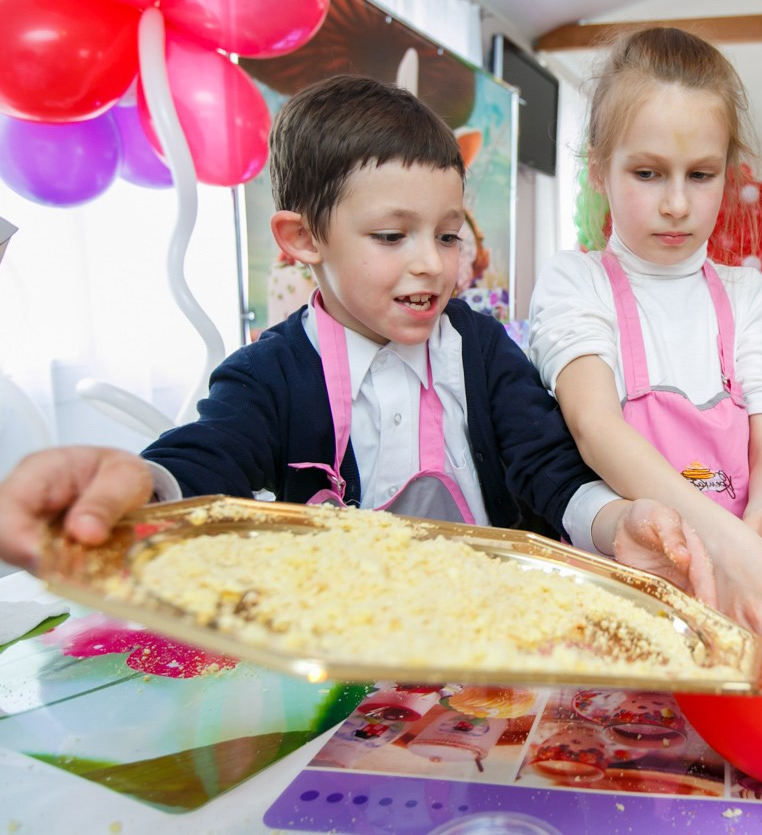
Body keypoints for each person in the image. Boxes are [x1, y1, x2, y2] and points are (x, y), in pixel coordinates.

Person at [0, 74, 715, 602]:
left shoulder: (484, 351)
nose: (432, 261)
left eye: (447, 232)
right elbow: (210, 452)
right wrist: (147, 484)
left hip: (493, 623)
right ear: (303, 237)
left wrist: (619, 519)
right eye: (390, 235)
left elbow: (550, 472)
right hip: (341, 646)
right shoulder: (270, 375)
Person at [527, 27, 762, 670]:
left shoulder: (745, 293)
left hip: (729, 599)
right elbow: (595, 425)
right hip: (613, 597)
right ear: (598, 172)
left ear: (728, 173)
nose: (676, 204)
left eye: (700, 175)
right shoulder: (575, 282)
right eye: (647, 173)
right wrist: (730, 547)